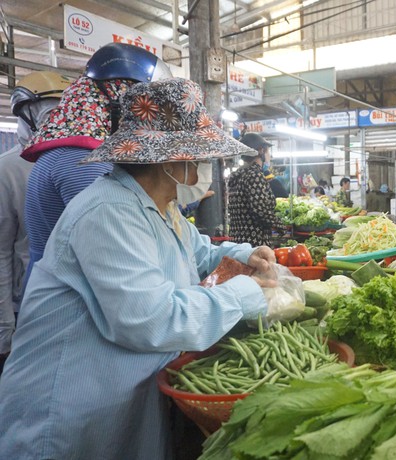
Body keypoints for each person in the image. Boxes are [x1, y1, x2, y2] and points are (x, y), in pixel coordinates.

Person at [0, 77, 275, 460]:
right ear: (169, 159)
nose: (203, 166)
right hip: (69, 406)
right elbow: (151, 318)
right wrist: (245, 295)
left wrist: (245, 255)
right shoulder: (108, 212)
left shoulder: (162, 207)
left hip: (116, 395)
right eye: (198, 156)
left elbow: (195, 253)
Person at [21, 42, 171, 287]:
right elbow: (119, 256)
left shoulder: (69, 150)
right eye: (143, 110)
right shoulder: (81, 161)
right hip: (70, 309)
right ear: (117, 102)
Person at [0, 71, 71, 369]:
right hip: (28, 306)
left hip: (76, 304)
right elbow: (2, 251)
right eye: (47, 113)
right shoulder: (9, 170)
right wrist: (5, 329)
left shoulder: (85, 161)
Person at [228, 137, 284, 247]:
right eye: (267, 151)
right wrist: (280, 227)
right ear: (260, 151)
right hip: (254, 243)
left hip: (238, 241)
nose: (269, 156)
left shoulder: (238, 175)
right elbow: (260, 210)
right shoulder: (254, 175)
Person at [240, 132, 289, 198]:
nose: (270, 156)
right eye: (268, 152)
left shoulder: (236, 176)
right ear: (261, 151)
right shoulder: (258, 178)